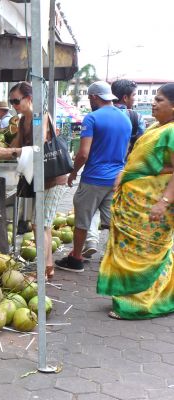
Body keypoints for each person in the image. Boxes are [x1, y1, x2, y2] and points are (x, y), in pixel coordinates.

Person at [97, 83, 174, 320]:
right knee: (132, 253)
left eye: (159, 100)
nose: (153, 102)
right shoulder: (156, 127)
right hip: (135, 204)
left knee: (143, 255)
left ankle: (140, 305)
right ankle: (134, 297)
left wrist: (163, 202)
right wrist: (124, 174)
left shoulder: (171, 131)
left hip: (151, 206)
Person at [0, 81, 67, 280]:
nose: (13, 105)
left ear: (29, 99)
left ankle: (44, 270)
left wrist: (8, 150)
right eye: (11, 102)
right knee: (40, 224)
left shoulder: (40, 117)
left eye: (16, 101)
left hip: (53, 177)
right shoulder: (23, 121)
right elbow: (16, 144)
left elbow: (39, 148)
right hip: (39, 178)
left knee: (41, 224)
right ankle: (47, 268)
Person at [56, 81, 131, 273]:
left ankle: (76, 259)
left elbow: (83, 154)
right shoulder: (125, 119)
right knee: (113, 222)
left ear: (94, 97)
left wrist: (73, 173)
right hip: (115, 180)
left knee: (82, 221)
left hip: (93, 179)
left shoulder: (92, 118)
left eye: (90, 98)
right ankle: (119, 260)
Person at [83, 79, 147, 258]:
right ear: (125, 97)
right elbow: (141, 146)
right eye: (134, 95)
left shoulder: (95, 116)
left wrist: (74, 171)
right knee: (116, 213)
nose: (135, 99)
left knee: (90, 209)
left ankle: (90, 240)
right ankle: (114, 253)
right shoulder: (133, 117)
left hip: (94, 173)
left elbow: (85, 150)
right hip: (124, 171)